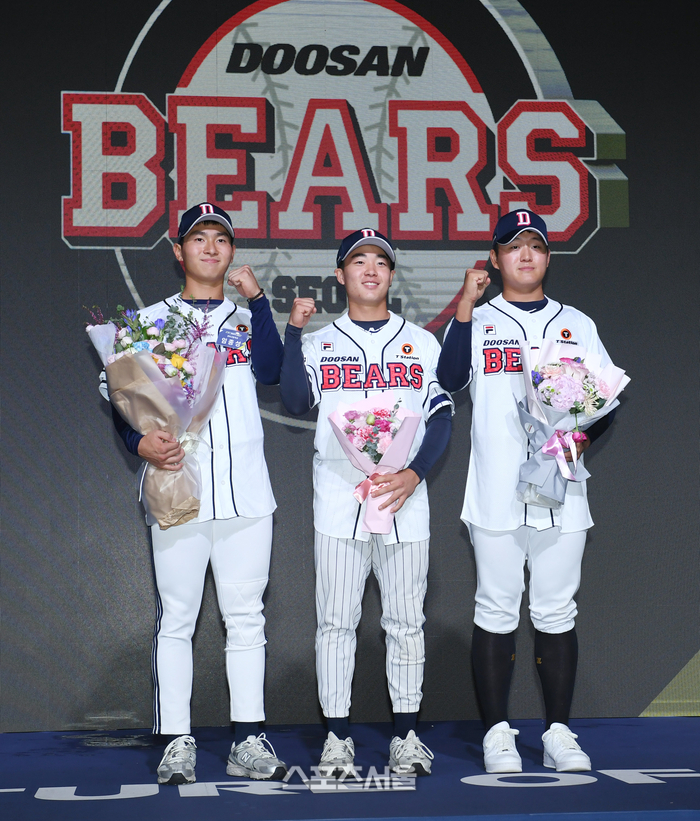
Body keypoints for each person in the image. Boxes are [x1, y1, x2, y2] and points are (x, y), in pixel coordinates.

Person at [106, 202, 286, 785]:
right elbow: (119, 397)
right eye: (199, 237)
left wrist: (260, 302)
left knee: (247, 618)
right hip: (177, 484)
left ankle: (248, 740)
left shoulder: (248, 317)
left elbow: (273, 371)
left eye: (221, 238)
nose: (210, 247)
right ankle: (176, 741)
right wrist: (139, 443)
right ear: (177, 250)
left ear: (232, 251)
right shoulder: (149, 321)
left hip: (246, 491)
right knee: (178, 617)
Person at [437, 209, 618, 774]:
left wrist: (577, 440)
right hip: (496, 487)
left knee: (556, 610)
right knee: (496, 607)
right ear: (495, 258)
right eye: (513, 246)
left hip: (561, 485)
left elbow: (604, 401)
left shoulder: (577, 323)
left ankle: (558, 732)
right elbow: (448, 379)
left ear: (547, 257)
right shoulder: (477, 319)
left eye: (535, 245)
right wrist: (464, 307)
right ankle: (497, 734)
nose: (525, 254)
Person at [280, 228, 453, 778]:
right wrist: (293, 333)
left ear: (392, 274)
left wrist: (415, 473)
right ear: (341, 274)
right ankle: (337, 738)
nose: (370, 269)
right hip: (339, 496)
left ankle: (406, 737)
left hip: (405, 498)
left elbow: (442, 416)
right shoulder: (320, 343)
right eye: (358, 261)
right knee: (336, 622)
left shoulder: (422, 343)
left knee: (406, 622)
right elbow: (293, 399)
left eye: (381, 261)